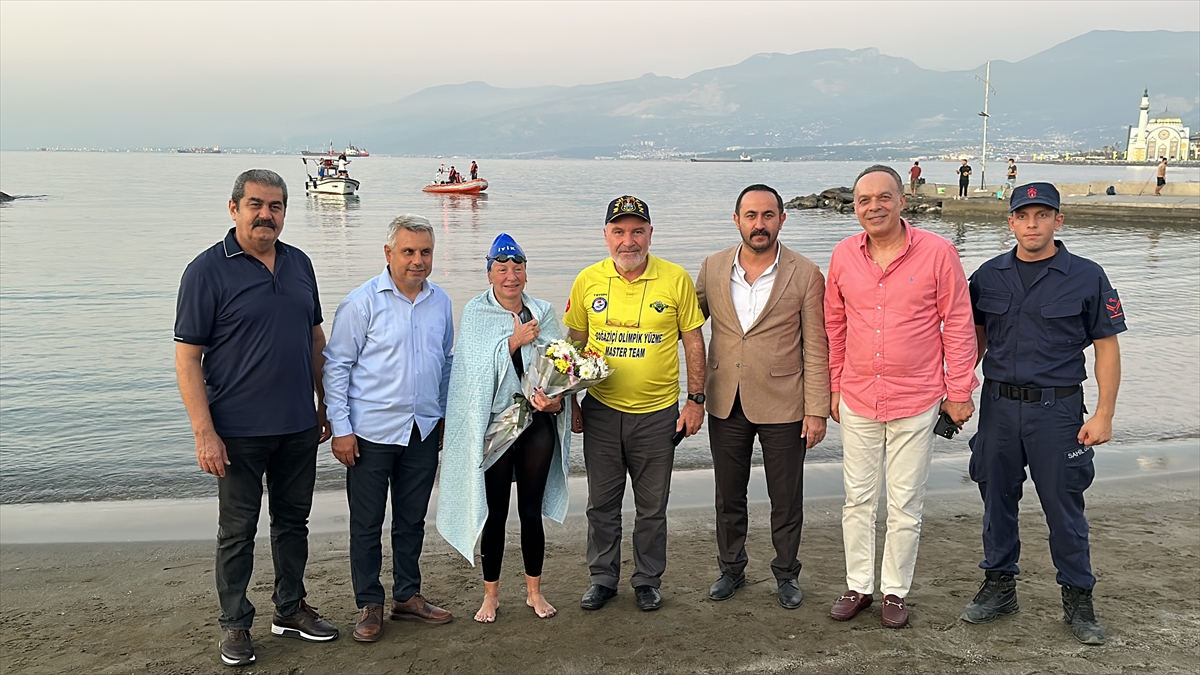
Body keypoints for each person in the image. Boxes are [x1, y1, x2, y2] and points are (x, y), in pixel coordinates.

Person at [174, 169, 338, 667]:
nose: (266, 215)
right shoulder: (206, 271)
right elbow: (187, 359)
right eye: (256, 205)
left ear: (285, 211)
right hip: (236, 431)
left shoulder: (299, 263)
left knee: (293, 523)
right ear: (234, 209)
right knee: (237, 531)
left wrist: (325, 403)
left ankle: (289, 609)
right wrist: (204, 433)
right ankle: (235, 623)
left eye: (276, 206)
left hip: (297, 425)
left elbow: (314, 339)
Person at [961, 183, 1125, 645]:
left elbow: (1107, 348)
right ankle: (999, 587)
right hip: (998, 407)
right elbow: (973, 339)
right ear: (1010, 222)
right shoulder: (988, 275)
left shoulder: (1087, 276)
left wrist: (1105, 414)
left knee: (1063, 507)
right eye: (1023, 216)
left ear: (1058, 220)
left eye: (1042, 215)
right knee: (996, 501)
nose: (1032, 224)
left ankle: (1079, 600)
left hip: (1058, 412)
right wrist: (956, 391)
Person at [824, 165, 979, 629]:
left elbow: (958, 324)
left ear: (901, 201)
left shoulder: (938, 252)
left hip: (917, 397)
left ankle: (894, 591)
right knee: (857, 499)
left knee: (905, 501)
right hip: (858, 396)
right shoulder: (843, 255)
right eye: (864, 200)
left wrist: (959, 390)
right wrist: (834, 385)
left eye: (883, 197)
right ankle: (858, 586)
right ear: (855, 207)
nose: (874, 207)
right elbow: (835, 324)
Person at [565, 195, 707, 613]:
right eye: (619, 231)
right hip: (602, 410)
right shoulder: (588, 280)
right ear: (606, 235)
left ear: (650, 234)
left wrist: (695, 400)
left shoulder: (675, 278)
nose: (628, 241)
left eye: (637, 231)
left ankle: (647, 580)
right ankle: (602, 578)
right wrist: (571, 402)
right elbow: (573, 346)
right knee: (601, 505)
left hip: (658, 415)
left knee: (652, 508)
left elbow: (694, 343)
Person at [695, 184, 830, 610]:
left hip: (785, 402)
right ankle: (731, 569)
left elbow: (817, 345)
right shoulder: (713, 267)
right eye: (751, 215)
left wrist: (817, 410)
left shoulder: (805, 272)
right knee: (728, 495)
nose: (759, 224)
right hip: (725, 399)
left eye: (768, 215)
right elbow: (686, 323)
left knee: (786, 498)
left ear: (781, 220)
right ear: (736, 220)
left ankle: (787, 574)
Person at [322, 215, 456, 643]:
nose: (418, 260)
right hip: (370, 433)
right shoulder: (361, 303)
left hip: (422, 429)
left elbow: (445, 363)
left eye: (425, 252)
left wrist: (444, 416)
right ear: (388, 253)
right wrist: (341, 428)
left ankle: (407, 595)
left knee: (411, 519)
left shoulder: (440, 301)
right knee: (366, 523)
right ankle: (369, 603)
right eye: (408, 251)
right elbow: (336, 367)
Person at [436, 233, 573, 624]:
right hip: (494, 424)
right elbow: (471, 377)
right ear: (489, 274)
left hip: (535, 423)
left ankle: (534, 592)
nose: (510, 275)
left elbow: (560, 367)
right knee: (495, 513)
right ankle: (491, 595)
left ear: (526, 272)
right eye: (502, 268)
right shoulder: (476, 312)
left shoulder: (543, 312)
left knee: (530, 511)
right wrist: (512, 342)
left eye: (517, 267)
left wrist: (557, 401)